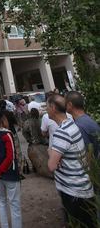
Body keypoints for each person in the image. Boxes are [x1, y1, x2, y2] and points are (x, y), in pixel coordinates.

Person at [47, 94, 95, 227]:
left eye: (47, 106)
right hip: (82, 187)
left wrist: (51, 152)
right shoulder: (73, 125)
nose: (46, 110)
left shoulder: (62, 133)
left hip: (72, 190)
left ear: (53, 108)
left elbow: (51, 166)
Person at [65, 91, 100, 158]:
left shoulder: (78, 126)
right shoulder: (88, 118)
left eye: (65, 103)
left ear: (70, 105)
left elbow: (88, 153)